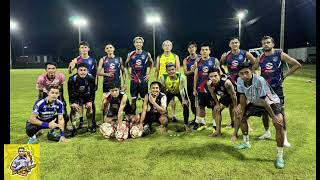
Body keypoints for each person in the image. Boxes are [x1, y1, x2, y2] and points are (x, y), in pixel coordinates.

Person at [234, 62, 286, 169]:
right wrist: (241, 112)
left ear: (252, 71)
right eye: (241, 73)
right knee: (241, 117)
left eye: (247, 72)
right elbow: (243, 98)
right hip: (256, 101)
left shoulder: (259, 80)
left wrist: (274, 117)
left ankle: (280, 156)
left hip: (271, 102)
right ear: (238, 74)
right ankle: (246, 142)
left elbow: (264, 100)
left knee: (279, 123)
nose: (244, 75)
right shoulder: (239, 81)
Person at [255, 35, 301, 147]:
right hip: (265, 89)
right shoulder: (260, 57)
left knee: (281, 113)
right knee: (265, 111)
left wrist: (284, 75)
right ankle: (267, 133)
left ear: (272, 44)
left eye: (268, 42)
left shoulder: (279, 54)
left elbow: (297, 65)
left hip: (277, 88)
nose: (266, 44)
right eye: (264, 43)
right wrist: (257, 78)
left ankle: (285, 137)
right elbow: (253, 69)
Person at [220, 36, 258, 129]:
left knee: (244, 102)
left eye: (236, 42)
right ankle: (232, 122)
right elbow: (220, 64)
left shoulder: (245, 53)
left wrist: (251, 74)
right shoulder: (226, 55)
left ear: (239, 44)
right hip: (231, 81)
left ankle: (247, 124)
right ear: (229, 45)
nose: (234, 44)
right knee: (232, 103)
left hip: (243, 81)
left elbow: (255, 63)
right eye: (232, 43)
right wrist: (223, 74)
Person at [68, 41, 98, 129]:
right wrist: (72, 64)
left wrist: (96, 84)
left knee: (91, 103)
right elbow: (70, 71)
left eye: (85, 47)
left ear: (88, 49)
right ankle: (81, 121)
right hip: (79, 84)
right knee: (79, 104)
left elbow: (95, 74)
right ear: (79, 49)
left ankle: (92, 121)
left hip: (90, 84)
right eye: (82, 47)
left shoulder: (93, 60)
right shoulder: (76, 59)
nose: (84, 49)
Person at [206, 68, 240, 140]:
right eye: (211, 76)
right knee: (216, 109)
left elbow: (233, 95)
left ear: (219, 75)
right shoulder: (209, 83)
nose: (214, 78)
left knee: (236, 113)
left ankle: (235, 134)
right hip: (225, 96)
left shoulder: (226, 82)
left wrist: (235, 106)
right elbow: (213, 94)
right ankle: (218, 132)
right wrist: (218, 104)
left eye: (215, 76)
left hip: (237, 96)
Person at [193, 42, 221, 131]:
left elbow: (218, 73)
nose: (204, 51)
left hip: (211, 89)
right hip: (200, 88)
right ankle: (202, 123)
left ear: (209, 51)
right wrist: (194, 88)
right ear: (200, 52)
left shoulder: (214, 60)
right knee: (201, 106)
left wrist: (217, 87)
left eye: (206, 50)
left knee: (214, 107)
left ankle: (214, 125)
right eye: (203, 50)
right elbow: (196, 75)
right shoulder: (198, 61)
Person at [36, 61, 69, 132]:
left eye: (53, 68)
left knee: (64, 111)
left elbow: (61, 90)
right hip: (45, 95)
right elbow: (40, 93)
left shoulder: (60, 76)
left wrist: (61, 101)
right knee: (42, 112)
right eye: (49, 68)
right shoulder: (41, 79)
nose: (51, 70)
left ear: (56, 69)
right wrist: (41, 103)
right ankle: (39, 127)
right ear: (46, 70)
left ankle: (64, 127)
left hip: (57, 94)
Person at [125, 36, 154, 113]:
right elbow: (126, 63)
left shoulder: (147, 54)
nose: (138, 44)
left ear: (142, 44)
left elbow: (152, 63)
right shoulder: (130, 54)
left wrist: (149, 74)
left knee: (144, 101)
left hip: (143, 80)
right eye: (137, 42)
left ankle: (144, 118)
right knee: (133, 100)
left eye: (140, 42)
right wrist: (128, 73)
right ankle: (133, 116)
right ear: (134, 44)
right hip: (134, 80)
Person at [160, 63, 190, 132]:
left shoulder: (181, 77)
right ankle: (164, 123)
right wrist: (163, 102)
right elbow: (163, 91)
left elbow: (182, 89)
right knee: (163, 107)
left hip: (179, 91)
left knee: (185, 105)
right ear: (166, 71)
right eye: (169, 70)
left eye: (173, 69)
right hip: (169, 92)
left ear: (175, 70)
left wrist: (183, 100)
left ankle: (186, 123)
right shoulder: (163, 78)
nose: (171, 72)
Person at [155, 40, 180, 122]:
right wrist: (156, 81)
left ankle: (173, 115)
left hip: (172, 80)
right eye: (165, 45)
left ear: (171, 47)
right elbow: (157, 69)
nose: (167, 46)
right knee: (163, 98)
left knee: (172, 98)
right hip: (162, 81)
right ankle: (165, 114)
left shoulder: (175, 56)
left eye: (169, 45)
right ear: (163, 47)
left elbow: (178, 69)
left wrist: (177, 80)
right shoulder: (159, 57)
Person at [68, 63, 96, 133]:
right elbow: (70, 93)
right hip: (76, 96)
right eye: (80, 70)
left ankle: (90, 126)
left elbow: (92, 91)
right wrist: (73, 102)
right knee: (73, 109)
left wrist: (90, 101)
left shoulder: (91, 78)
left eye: (84, 70)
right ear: (77, 71)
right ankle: (74, 127)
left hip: (86, 95)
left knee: (90, 107)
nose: (82, 72)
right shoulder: (72, 79)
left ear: (87, 71)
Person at [183, 41, 200, 125]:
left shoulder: (200, 58)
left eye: (193, 47)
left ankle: (200, 120)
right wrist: (192, 71)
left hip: (200, 84)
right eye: (190, 48)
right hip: (190, 84)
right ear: (188, 49)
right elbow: (185, 73)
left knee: (200, 103)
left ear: (196, 48)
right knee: (193, 102)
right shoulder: (186, 60)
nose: (191, 49)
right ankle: (196, 118)